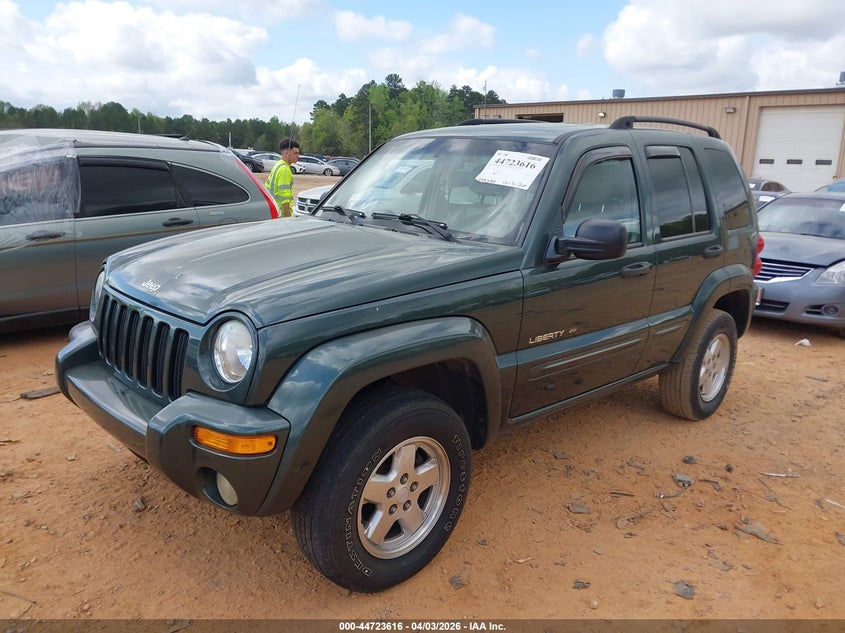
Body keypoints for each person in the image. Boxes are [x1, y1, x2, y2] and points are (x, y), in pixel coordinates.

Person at [265, 139, 300, 217]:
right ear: (287, 153)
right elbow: (284, 199)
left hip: (274, 211)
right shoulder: (285, 170)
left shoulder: (278, 165)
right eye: (295, 153)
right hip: (281, 215)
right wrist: (288, 219)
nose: (298, 156)